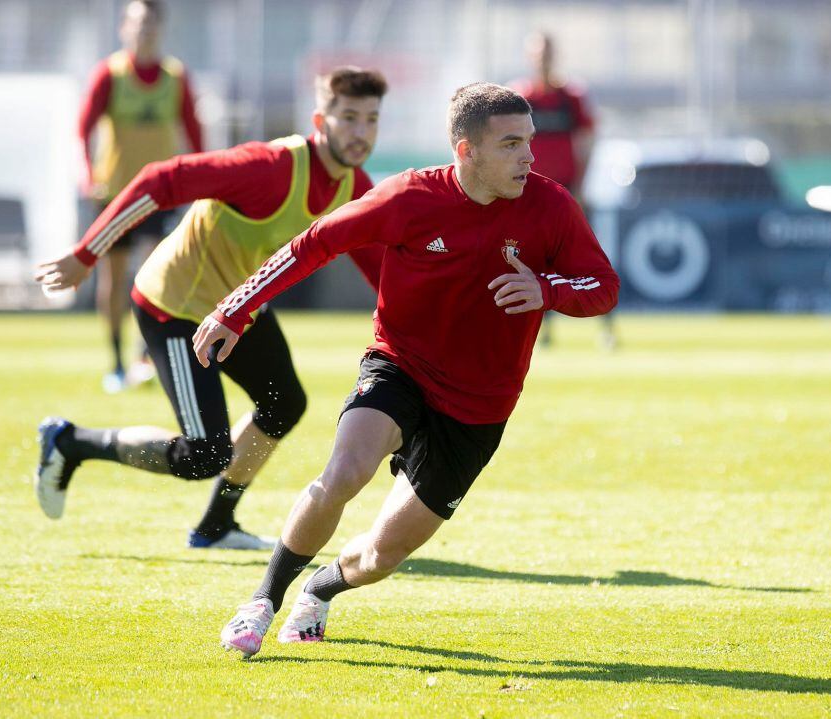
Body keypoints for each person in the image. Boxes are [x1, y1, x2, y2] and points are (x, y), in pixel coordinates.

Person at [191, 82, 619, 657]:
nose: (529, 157)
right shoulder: (411, 197)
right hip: (400, 367)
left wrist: (545, 288)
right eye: (511, 144)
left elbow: (604, 287)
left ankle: (318, 591)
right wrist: (234, 309)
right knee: (344, 473)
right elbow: (314, 243)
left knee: (380, 557)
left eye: (530, 142)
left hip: (479, 407)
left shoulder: (551, 206)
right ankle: (261, 602)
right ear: (466, 150)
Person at [33, 67, 389, 551]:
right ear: (319, 120)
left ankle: (216, 526)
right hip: (175, 307)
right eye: (348, 118)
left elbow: (383, 270)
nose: (361, 132)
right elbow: (162, 178)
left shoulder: (354, 185)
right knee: (203, 454)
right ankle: (71, 443)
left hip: (238, 309)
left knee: (284, 403)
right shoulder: (269, 167)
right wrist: (87, 253)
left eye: (370, 120)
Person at [78, 0, 204, 392]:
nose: (143, 30)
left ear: (160, 28)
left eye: (149, 22)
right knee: (114, 279)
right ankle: (116, 363)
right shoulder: (109, 75)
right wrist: (87, 174)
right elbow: (82, 129)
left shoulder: (176, 76)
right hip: (115, 193)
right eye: (136, 23)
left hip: (160, 195)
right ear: (124, 28)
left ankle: (143, 356)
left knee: (153, 275)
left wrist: (204, 182)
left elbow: (195, 133)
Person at [511, 31, 615, 349]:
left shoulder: (571, 96)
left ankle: (607, 329)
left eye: (547, 54)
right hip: (529, 194)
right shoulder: (520, 96)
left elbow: (588, 140)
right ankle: (539, 332)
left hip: (568, 193)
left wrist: (581, 186)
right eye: (538, 54)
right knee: (531, 261)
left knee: (588, 261)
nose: (543, 60)